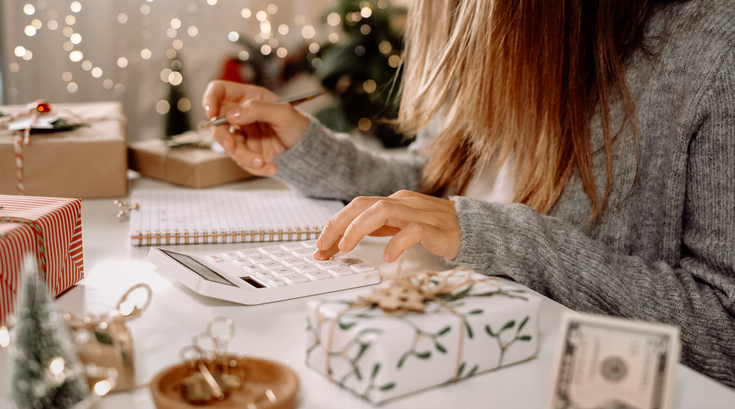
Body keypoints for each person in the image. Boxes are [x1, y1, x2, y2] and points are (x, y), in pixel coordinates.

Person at [202, 0, 735, 387]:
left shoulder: (711, 48)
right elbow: (435, 182)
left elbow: (724, 332)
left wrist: (495, 235)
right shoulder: (478, 24)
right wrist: (304, 145)